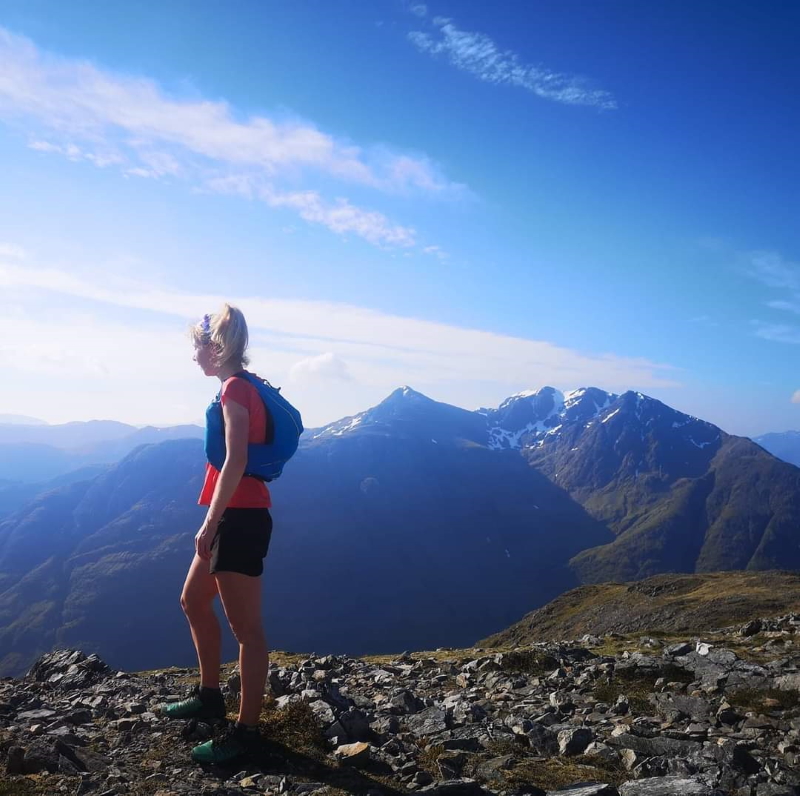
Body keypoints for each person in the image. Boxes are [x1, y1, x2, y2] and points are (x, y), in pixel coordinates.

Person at [159, 303, 273, 765]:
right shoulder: (248, 386)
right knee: (192, 599)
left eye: (197, 347)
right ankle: (210, 696)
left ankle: (246, 733)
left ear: (216, 346)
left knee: (247, 631)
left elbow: (237, 460)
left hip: (238, 519)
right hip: (232, 515)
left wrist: (210, 521)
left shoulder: (233, 391)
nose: (194, 357)